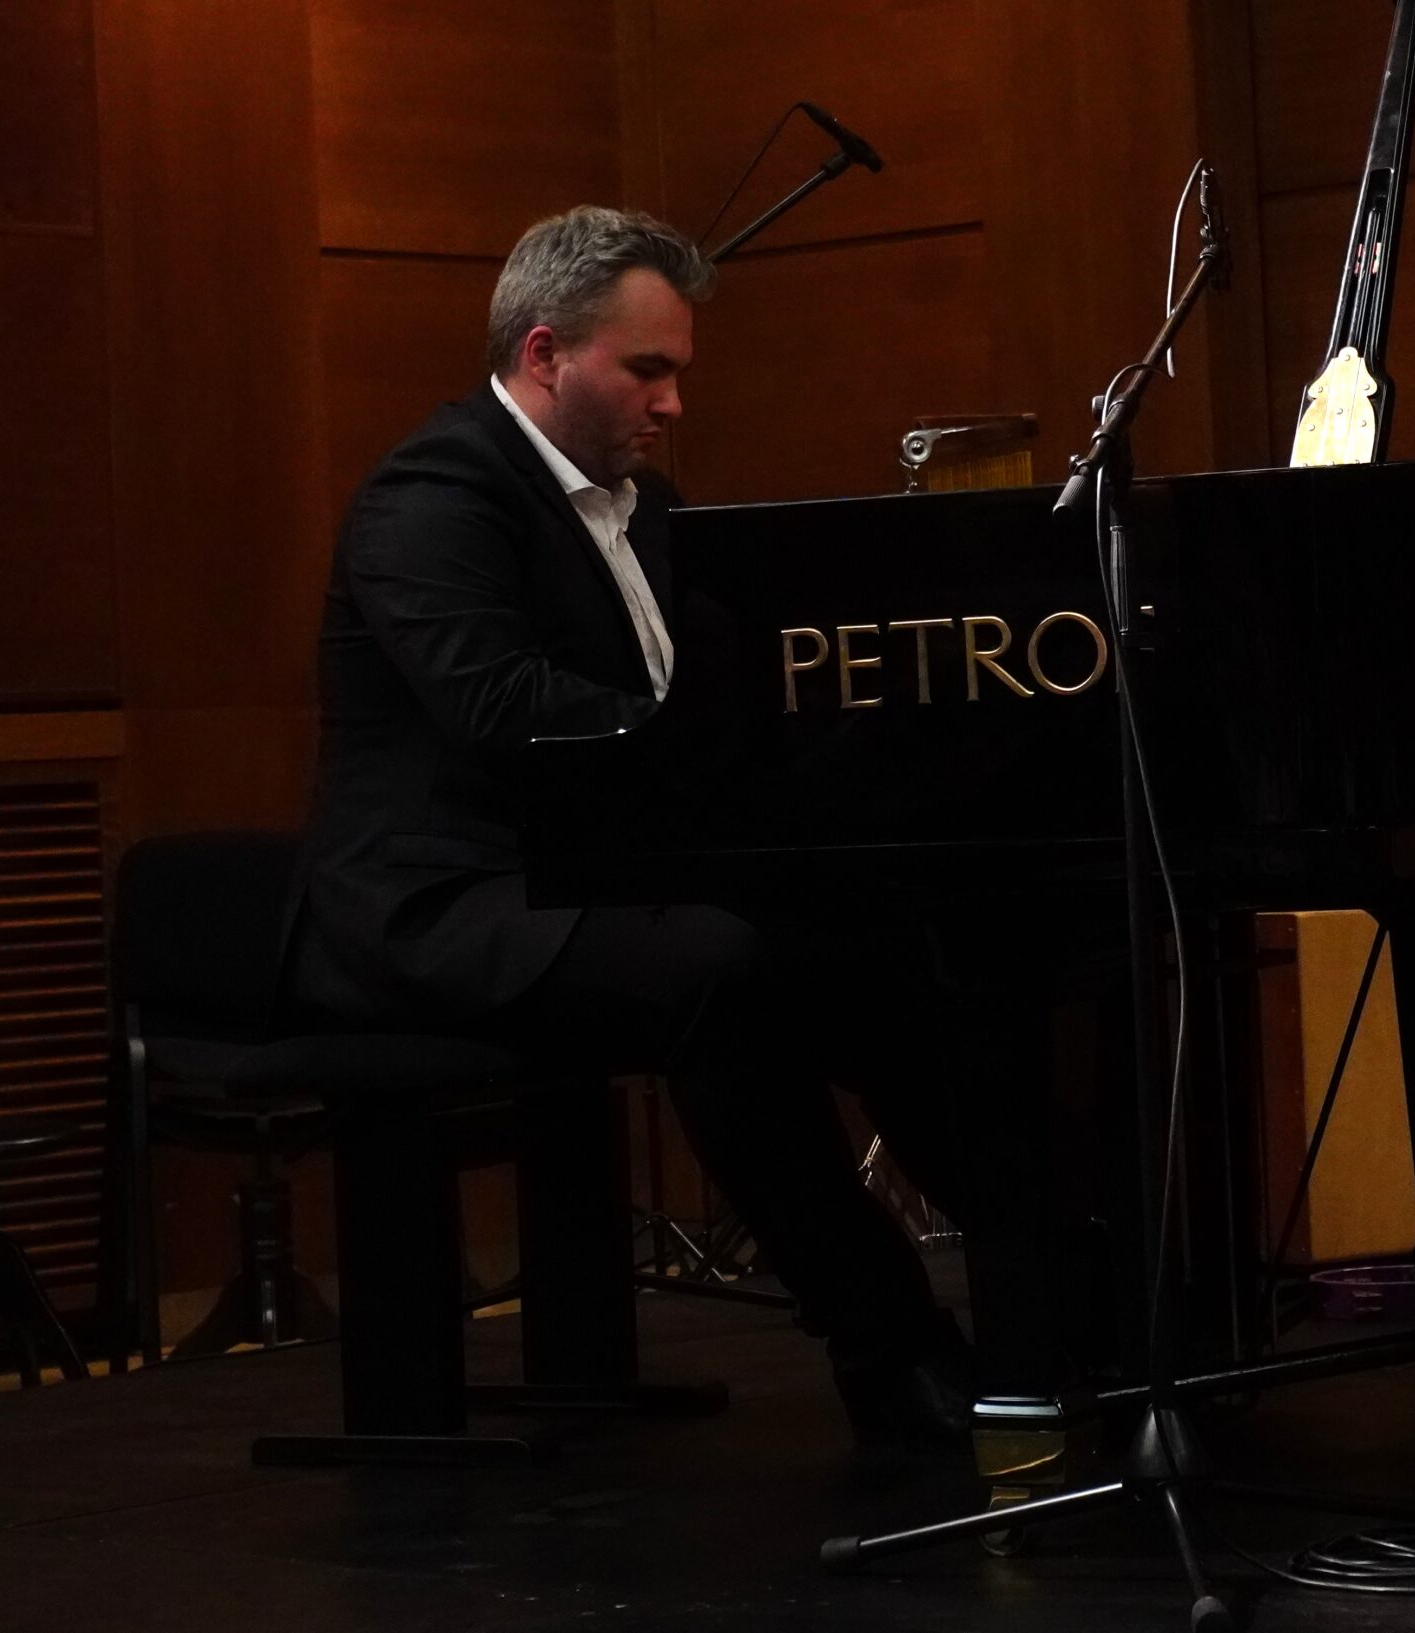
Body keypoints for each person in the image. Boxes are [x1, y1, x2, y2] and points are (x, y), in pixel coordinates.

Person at [284, 205, 981, 1443]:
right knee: (717, 968)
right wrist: (699, 755)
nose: (672, 403)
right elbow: (499, 705)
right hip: (443, 902)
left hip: (579, 872)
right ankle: (887, 1343)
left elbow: (715, 692)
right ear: (544, 354)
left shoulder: (645, 507)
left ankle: (1045, 1280)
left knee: (876, 937)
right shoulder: (433, 493)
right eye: (646, 370)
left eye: (678, 372)